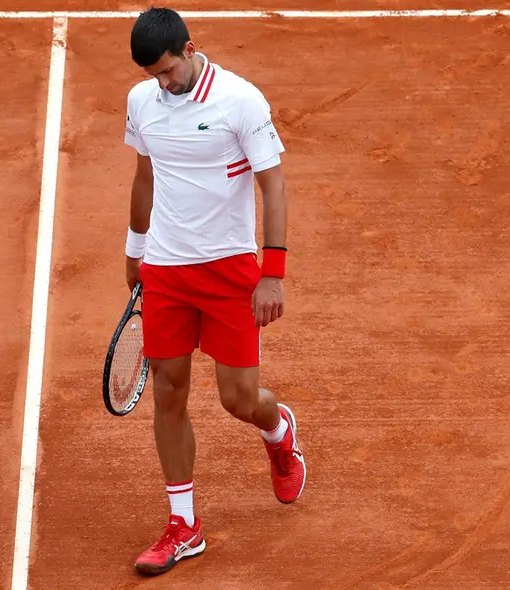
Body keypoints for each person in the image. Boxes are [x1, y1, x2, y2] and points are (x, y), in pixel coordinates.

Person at [121, 7, 307, 576]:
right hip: (167, 269)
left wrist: (271, 272)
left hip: (229, 272)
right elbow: (145, 175)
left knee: (238, 399)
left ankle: (279, 432)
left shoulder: (240, 101)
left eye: (168, 71)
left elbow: (273, 185)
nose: (163, 84)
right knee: (169, 391)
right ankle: (185, 526)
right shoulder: (142, 102)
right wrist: (135, 251)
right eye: (153, 75)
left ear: (190, 48)